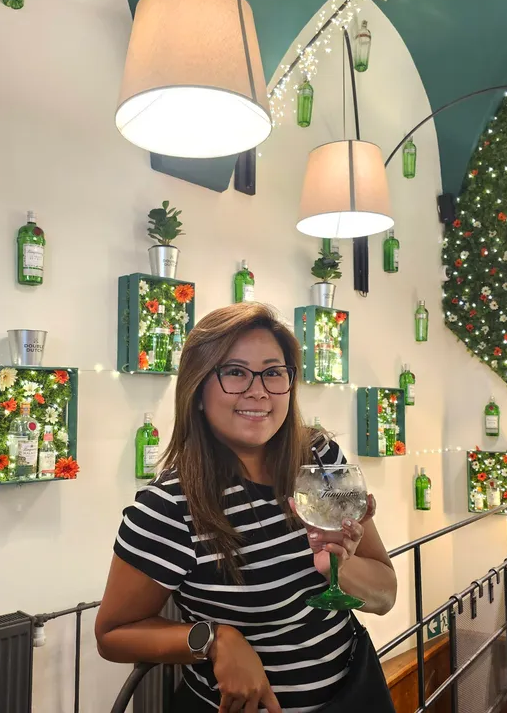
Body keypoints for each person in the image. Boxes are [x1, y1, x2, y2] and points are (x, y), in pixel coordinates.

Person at [95, 303, 397, 712]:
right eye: (235, 372)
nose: (258, 391)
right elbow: (112, 635)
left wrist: (337, 567)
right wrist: (215, 640)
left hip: (357, 694)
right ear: (198, 390)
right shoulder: (169, 506)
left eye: (273, 372)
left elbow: (385, 595)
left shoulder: (320, 459)